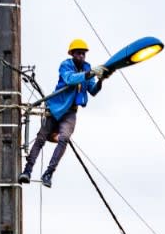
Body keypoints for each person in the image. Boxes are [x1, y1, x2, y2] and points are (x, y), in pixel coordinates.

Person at [20, 38, 104, 187]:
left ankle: (49, 173)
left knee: (64, 138)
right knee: (41, 138)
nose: (82, 56)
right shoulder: (66, 65)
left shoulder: (87, 68)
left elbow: (93, 91)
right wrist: (89, 74)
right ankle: (27, 170)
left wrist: (101, 80)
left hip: (70, 112)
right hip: (56, 108)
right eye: (78, 53)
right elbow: (70, 79)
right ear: (72, 54)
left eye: (83, 54)